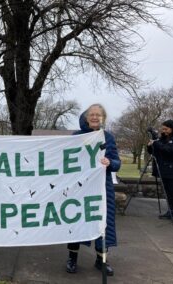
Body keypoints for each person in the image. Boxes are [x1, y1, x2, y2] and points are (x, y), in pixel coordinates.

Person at [66, 103, 121, 276]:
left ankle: (101, 261)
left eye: (98, 114)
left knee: (103, 224)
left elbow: (117, 162)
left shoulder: (108, 137)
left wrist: (110, 163)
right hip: (80, 188)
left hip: (101, 188)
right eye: (92, 114)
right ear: (86, 117)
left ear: (103, 118)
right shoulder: (76, 136)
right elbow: (65, 160)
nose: (95, 117)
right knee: (76, 221)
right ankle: (72, 259)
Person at [147, 120, 173, 222]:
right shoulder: (163, 138)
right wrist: (150, 146)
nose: (163, 131)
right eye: (163, 129)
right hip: (164, 170)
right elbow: (155, 151)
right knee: (168, 193)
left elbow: (171, 150)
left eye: (166, 129)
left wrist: (157, 144)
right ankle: (171, 211)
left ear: (172, 128)